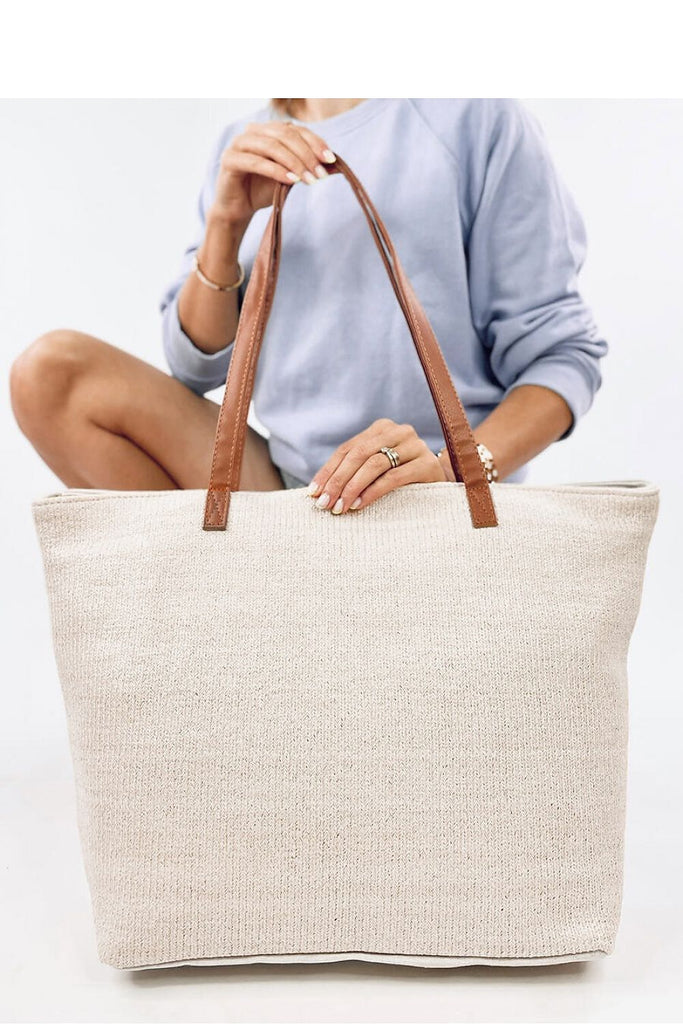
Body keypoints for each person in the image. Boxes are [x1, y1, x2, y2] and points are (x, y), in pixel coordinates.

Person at [10, 98, 607, 516]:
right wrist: (226, 222)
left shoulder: (475, 117)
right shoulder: (246, 139)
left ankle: (254, 623)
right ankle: (238, 619)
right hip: (287, 492)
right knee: (52, 375)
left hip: (433, 494)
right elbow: (195, 368)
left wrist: (455, 469)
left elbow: (563, 358)